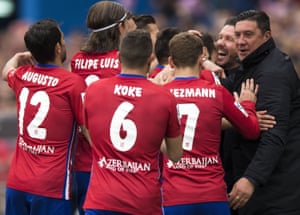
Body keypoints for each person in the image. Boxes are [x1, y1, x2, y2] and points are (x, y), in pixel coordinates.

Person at [83, 30, 183, 215]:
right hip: (143, 202)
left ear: (119, 57)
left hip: (101, 200)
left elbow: (89, 134)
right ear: (150, 58)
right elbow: (176, 155)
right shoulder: (164, 98)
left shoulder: (94, 91)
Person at [161, 32, 260, 215]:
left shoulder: (160, 94)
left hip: (175, 196)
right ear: (202, 58)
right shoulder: (217, 93)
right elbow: (252, 130)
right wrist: (247, 104)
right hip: (212, 195)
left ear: (172, 62)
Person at [2, 18, 89, 215]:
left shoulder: (22, 75)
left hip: (17, 184)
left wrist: (19, 56)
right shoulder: (72, 84)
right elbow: (88, 131)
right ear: (58, 47)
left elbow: (6, 71)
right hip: (51, 188)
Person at [226, 10, 300, 215]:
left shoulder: (272, 74)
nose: (240, 41)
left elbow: (274, 134)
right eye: (237, 35)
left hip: (275, 194)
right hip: (263, 190)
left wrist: (252, 178)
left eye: (248, 35)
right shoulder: (251, 65)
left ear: (267, 36)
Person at [70, 1, 136, 214]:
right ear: (120, 28)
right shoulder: (122, 62)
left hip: (80, 161)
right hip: (113, 164)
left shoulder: (77, 60)